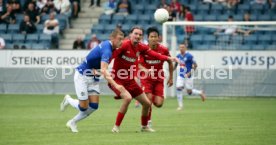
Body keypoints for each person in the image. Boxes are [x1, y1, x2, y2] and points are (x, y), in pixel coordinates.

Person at [109, 26, 179, 133]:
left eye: (140, 35)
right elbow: (111, 56)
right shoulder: (124, 45)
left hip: (130, 81)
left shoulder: (141, 47)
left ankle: (144, 126)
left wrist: (169, 58)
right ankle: (116, 127)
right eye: (136, 34)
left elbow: (154, 54)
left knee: (147, 103)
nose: (138, 36)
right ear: (130, 35)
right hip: (118, 79)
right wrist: (100, 68)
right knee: (127, 98)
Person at [60, 29, 129, 133]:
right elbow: (104, 70)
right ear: (112, 38)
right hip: (82, 76)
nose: (121, 41)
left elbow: (99, 66)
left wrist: (97, 71)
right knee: (83, 107)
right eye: (119, 39)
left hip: (93, 77)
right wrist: (116, 85)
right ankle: (68, 99)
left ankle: (72, 122)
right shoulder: (107, 50)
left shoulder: (112, 48)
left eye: (122, 39)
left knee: (93, 106)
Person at [138, 27, 174, 128]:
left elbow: (170, 62)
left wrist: (171, 77)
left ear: (159, 38)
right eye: (151, 36)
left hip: (159, 79)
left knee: (159, 103)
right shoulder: (143, 50)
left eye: (155, 37)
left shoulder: (163, 49)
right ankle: (146, 123)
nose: (154, 38)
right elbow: (138, 64)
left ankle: (143, 99)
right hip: (146, 79)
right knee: (148, 101)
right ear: (148, 38)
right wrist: (145, 70)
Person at [174, 43, 206, 111]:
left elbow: (195, 65)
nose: (181, 48)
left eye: (182, 47)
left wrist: (189, 73)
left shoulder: (189, 56)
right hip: (181, 75)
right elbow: (176, 64)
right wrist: (171, 70)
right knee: (178, 88)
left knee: (189, 92)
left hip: (188, 76)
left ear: (185, 48)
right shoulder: (178, 56)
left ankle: (200, 92)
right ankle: (180, 106)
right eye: (180, 47)